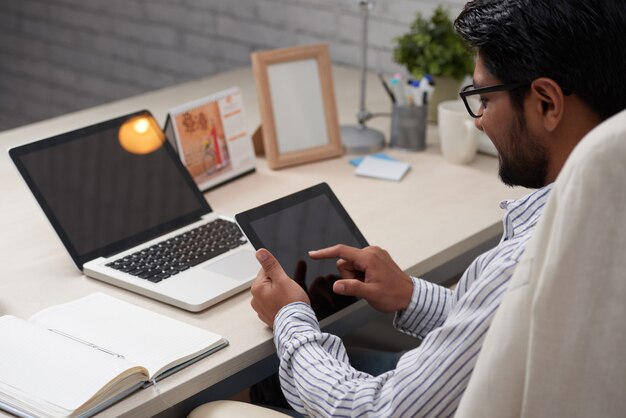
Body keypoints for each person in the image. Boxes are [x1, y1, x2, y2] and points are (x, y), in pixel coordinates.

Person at [249, 0, 626, 416]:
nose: (479, 121)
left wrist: (290, 316)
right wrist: (410, 296)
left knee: (252, 389)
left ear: (547, 104)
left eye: (483, 97)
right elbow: (511, 327)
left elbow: (378, 411)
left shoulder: (527, 260)